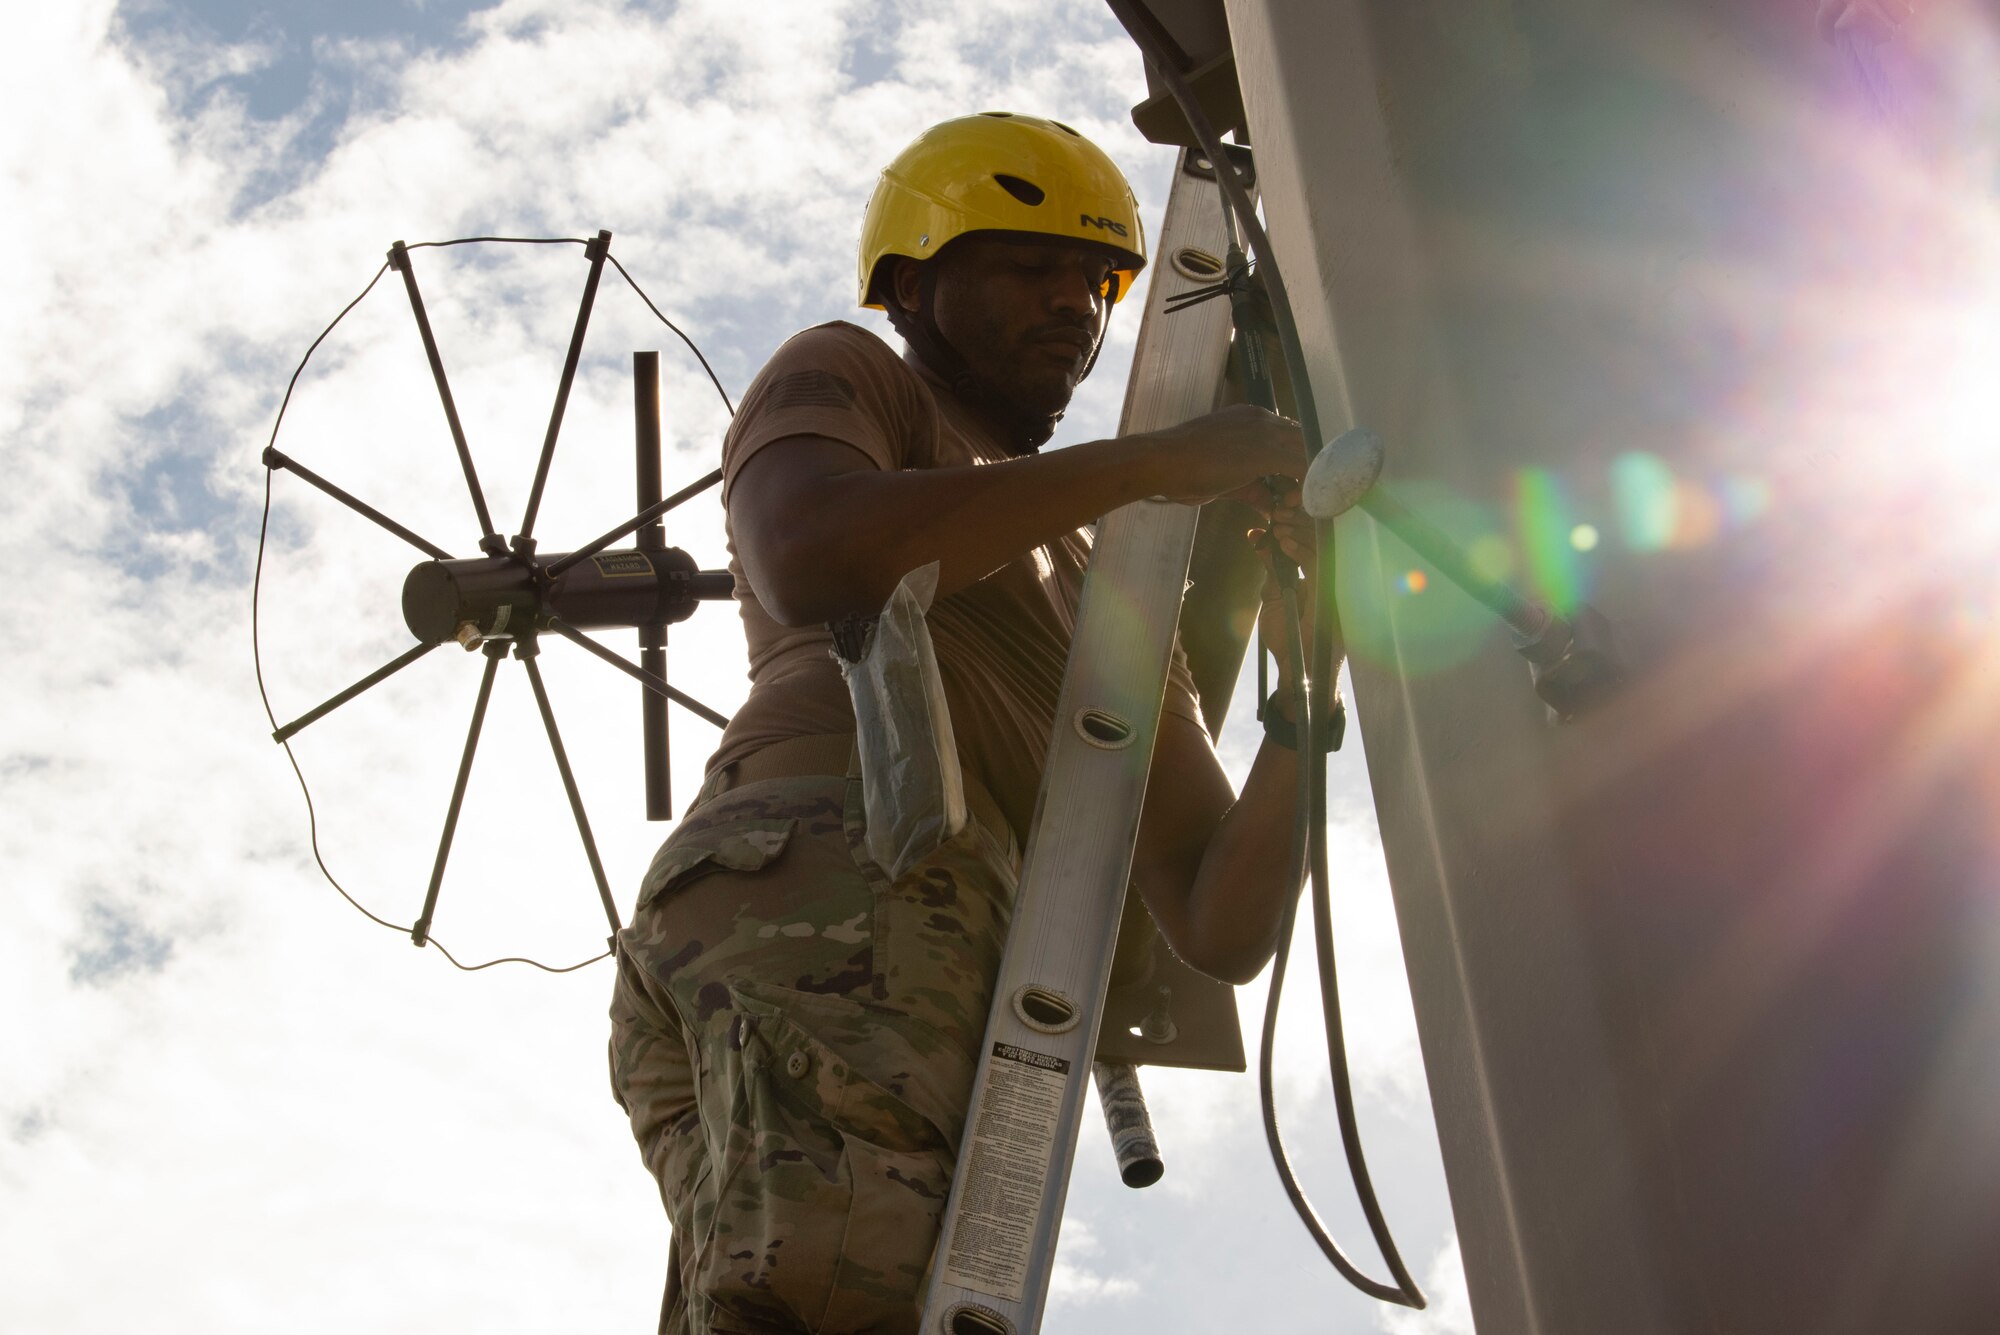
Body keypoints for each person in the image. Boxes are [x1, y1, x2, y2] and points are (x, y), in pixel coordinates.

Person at [609, 111, 1322, 1335]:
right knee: (843, 1296)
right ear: (915, 284)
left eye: (1094, 282)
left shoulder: (1109, 587)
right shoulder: (856, 376)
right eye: (1026, 267)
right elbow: (813, 551)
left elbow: (1217, 918)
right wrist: (1155, 462)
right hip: (834, 866)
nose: (1073, 306)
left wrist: (1312, 685)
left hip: (890, 918)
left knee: (782, 1301)